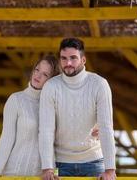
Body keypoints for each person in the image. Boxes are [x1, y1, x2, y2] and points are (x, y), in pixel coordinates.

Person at [39, 38, 116, 180]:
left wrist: (110, 169)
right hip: (60, 163)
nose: (68, 63)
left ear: (83, 60)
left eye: (73, 58)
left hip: (94, 162)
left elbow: (106, 128)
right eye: (64, 58)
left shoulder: (99, 84)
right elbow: (46, 130)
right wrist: (47, 167)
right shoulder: (51, 86)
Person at [0, 55, 60, 177]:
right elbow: (7, 137)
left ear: (52, 80)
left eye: (45, 74)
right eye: (37, 70)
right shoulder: (16, 100)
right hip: (14, 173)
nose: (37, 76)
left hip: (42, 176)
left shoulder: (55, 105)